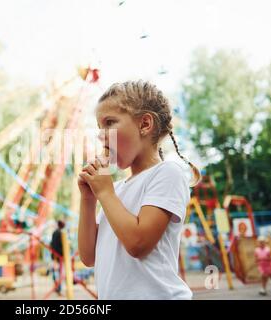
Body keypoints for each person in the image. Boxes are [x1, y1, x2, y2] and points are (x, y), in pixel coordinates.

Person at [78, 80, 201, 299]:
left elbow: (138, 244)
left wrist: (105, 193)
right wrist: (88, 199)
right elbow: (88, 257)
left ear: (144, 124)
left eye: (109, 123)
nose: (100, 134)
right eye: (99, 127)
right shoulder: (115, 190)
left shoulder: (168, 173)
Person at [50, 220, 65, 295]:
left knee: (56, 272)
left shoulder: (54, 232)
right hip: (59, 256)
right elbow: (61, 245)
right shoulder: (61, 233)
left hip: (54, 256)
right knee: (59, 273)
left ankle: (57, 287)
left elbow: (52, 244)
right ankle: (58, 288)